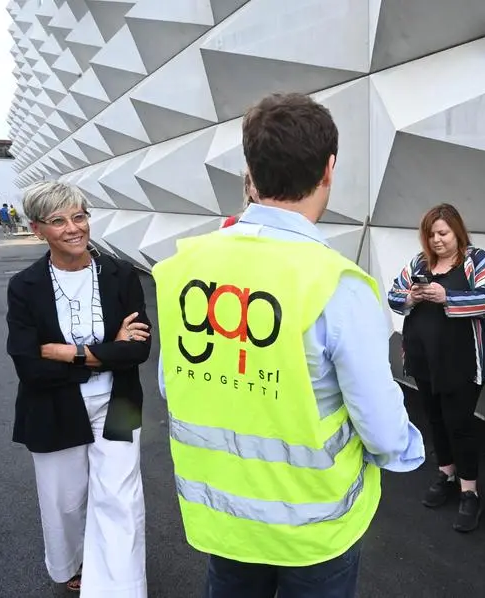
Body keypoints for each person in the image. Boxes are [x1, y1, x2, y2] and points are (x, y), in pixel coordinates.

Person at [153, 92, 425, 598]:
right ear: (329, 170)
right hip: (314, 528)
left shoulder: (185, 269)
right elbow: (384, 433)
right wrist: (411, 452)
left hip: (224, 519)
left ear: (249, 173)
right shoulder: (338, 285)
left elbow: (173, 385)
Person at [6, 181, 151, 596]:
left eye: (80, 216)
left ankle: (120, 588)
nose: (73, 228)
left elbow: (138, 351)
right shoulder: (24, 286)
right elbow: (29, 365)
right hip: (53, 406)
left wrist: (68, 353)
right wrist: (109, 349)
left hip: (119, 401)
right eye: (58, 221)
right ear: (38, 230)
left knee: (122, 501)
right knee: (64, 503)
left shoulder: (120, 274)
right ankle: (70, 564)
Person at [387, 203, 485, 533]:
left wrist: (445, 296)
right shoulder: (419, 263)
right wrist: (411, 296)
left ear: (457, 232)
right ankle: (446, 472)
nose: (437, 240)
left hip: (462, 360)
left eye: (443, 233)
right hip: (424, 357)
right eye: (431, 234)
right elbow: (395, 295)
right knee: (434, 417)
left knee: (460, 423)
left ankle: (470, 492)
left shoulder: (477, 260)